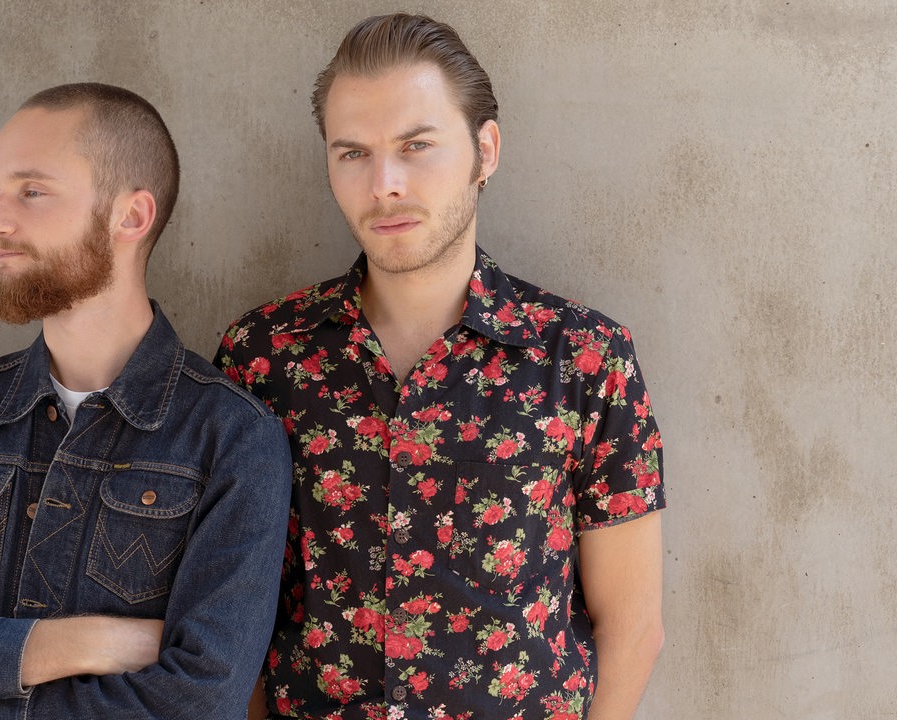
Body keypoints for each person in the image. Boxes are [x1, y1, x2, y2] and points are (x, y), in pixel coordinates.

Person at [216, 14, 665, 720]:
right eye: (352, 153)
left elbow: (633, 627)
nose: (384, 183)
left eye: (416, 146)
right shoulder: (264, 354)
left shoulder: (584, 357)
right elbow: (230, 613)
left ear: (486, 150)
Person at [0, 82, 292, 720]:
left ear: (131, 216)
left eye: (32, 191)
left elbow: (199, 702)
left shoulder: (231, 439)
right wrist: (80, 643)